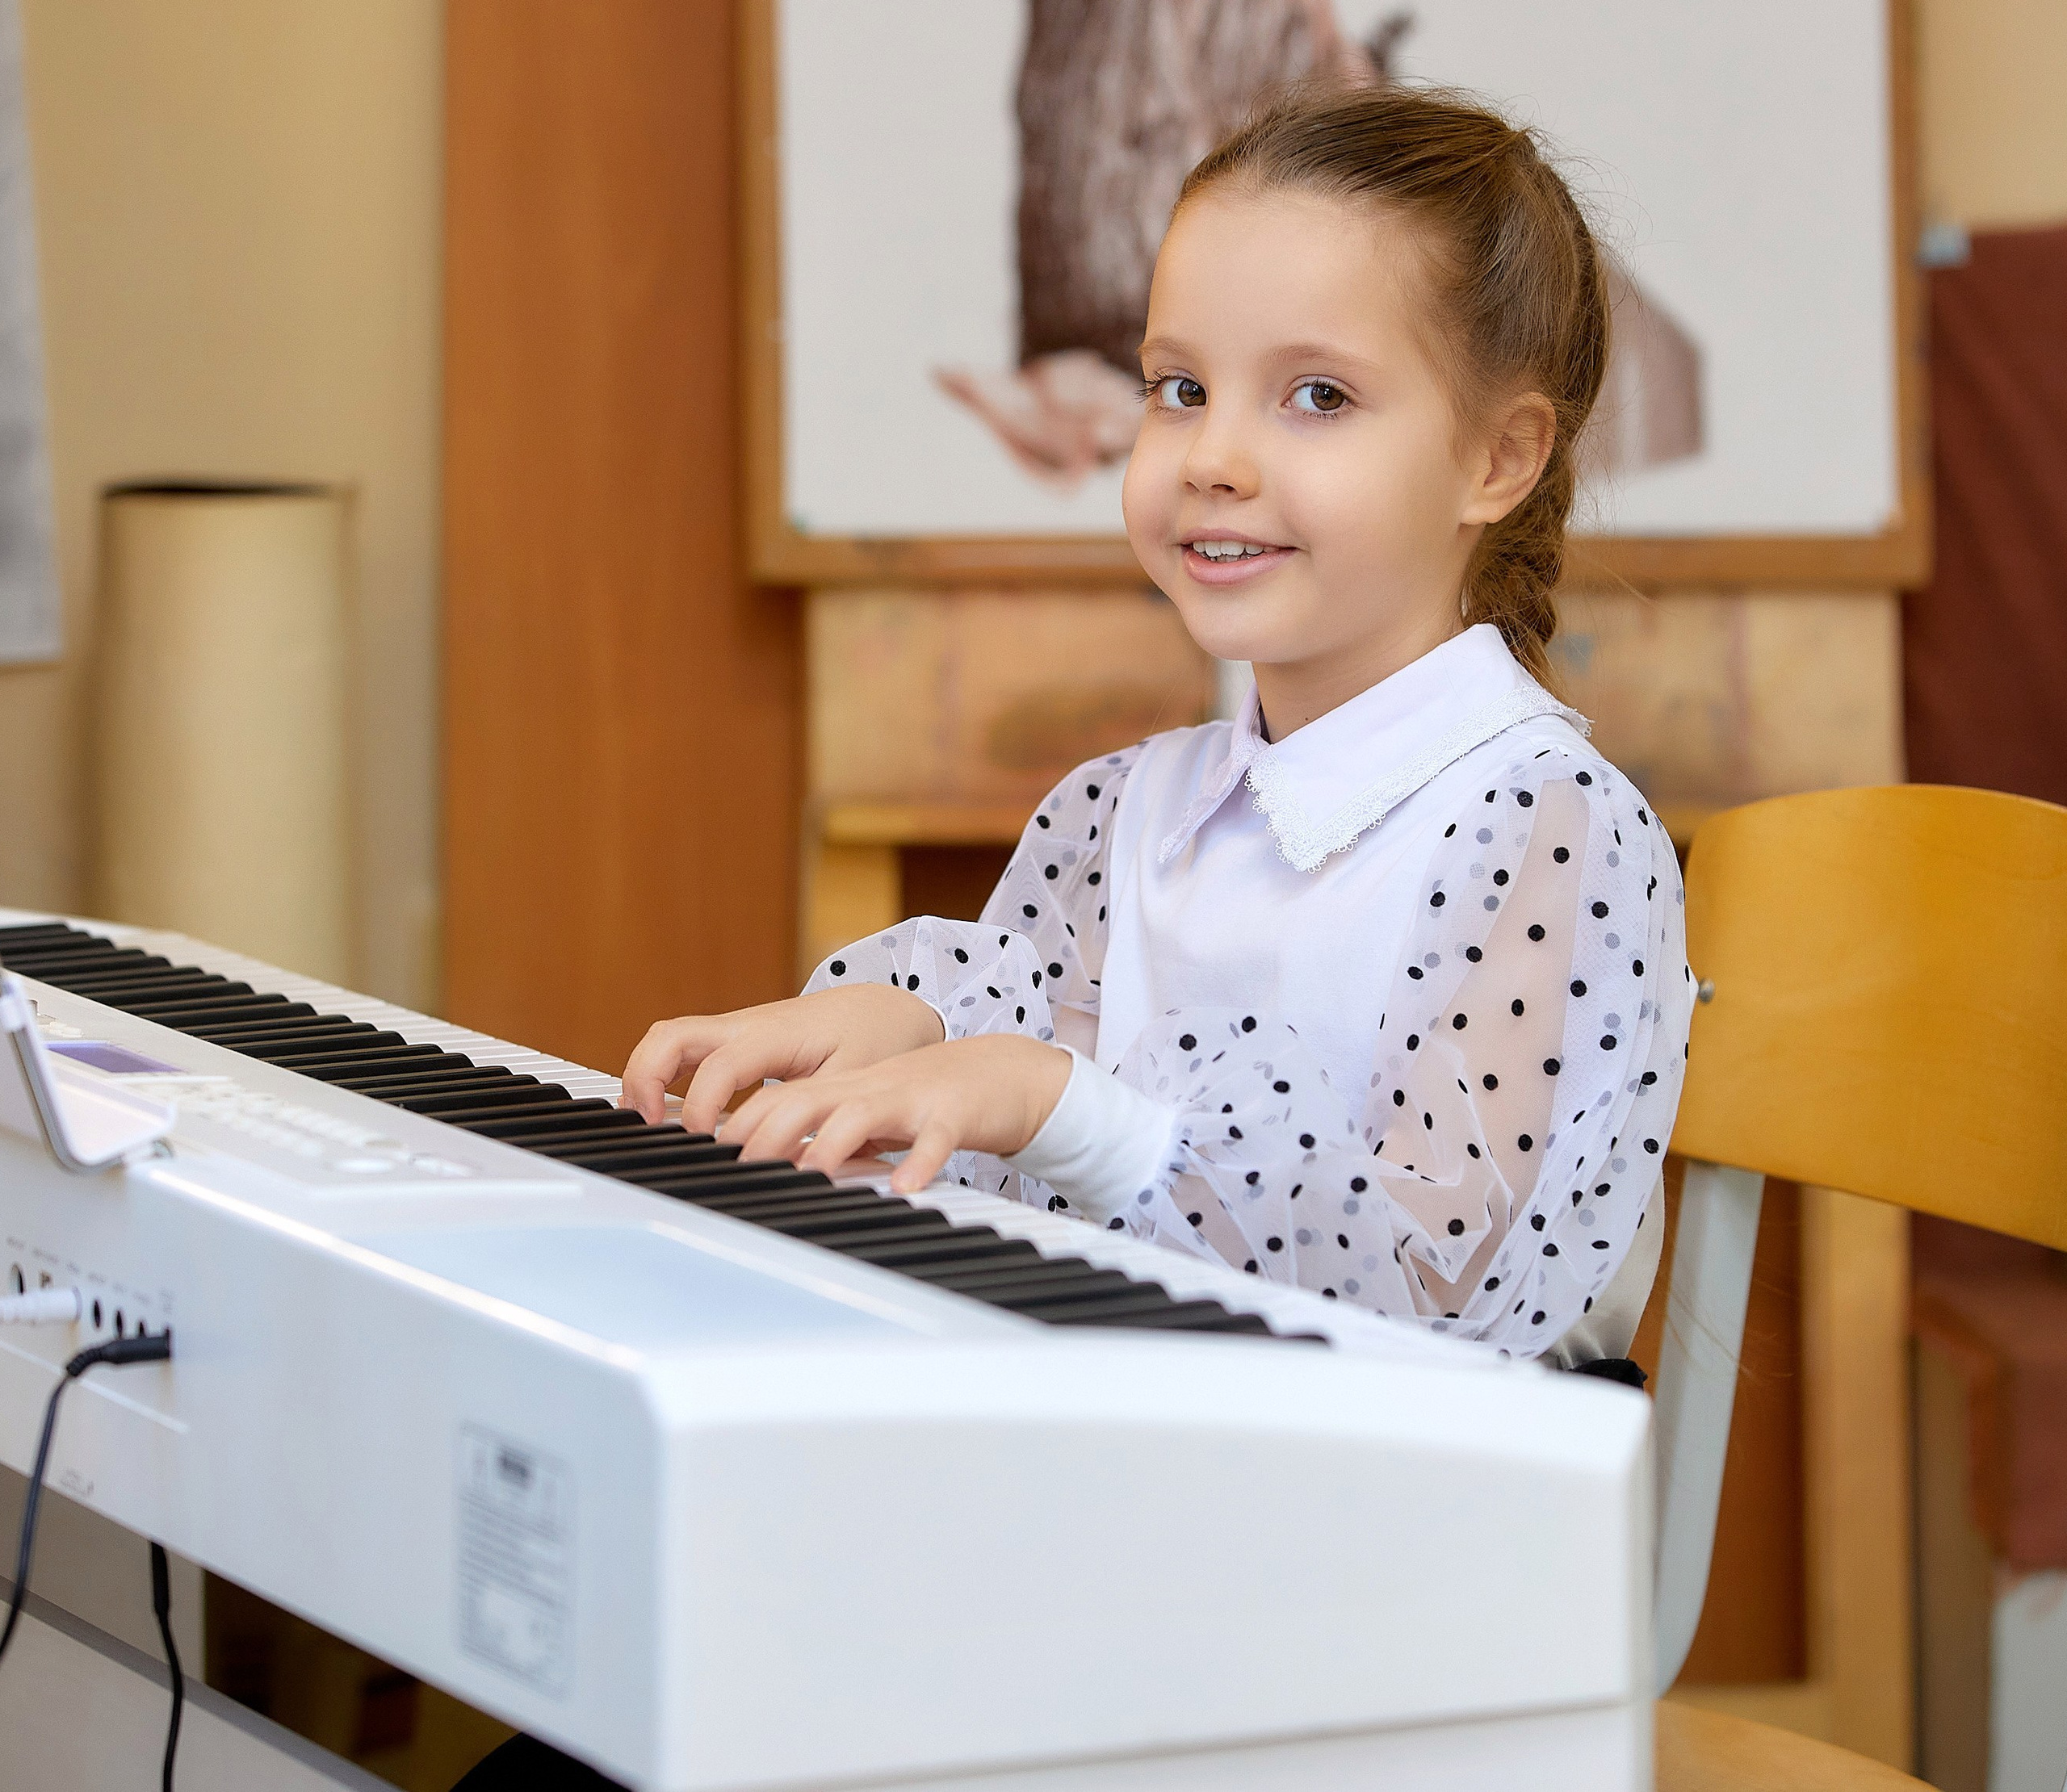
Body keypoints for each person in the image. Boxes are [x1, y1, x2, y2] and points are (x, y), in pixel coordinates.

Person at [628, 82, 1691, 1363]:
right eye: (1179, 387)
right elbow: (1037, 1058)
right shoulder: (1125, 808)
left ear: (1496, 460)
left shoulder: (1547, 829)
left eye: (1317, 397)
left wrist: (1052, 1104)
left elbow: (1436, 1298)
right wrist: (906, 1029)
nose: (1211, 458)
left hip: (1378, 1476)